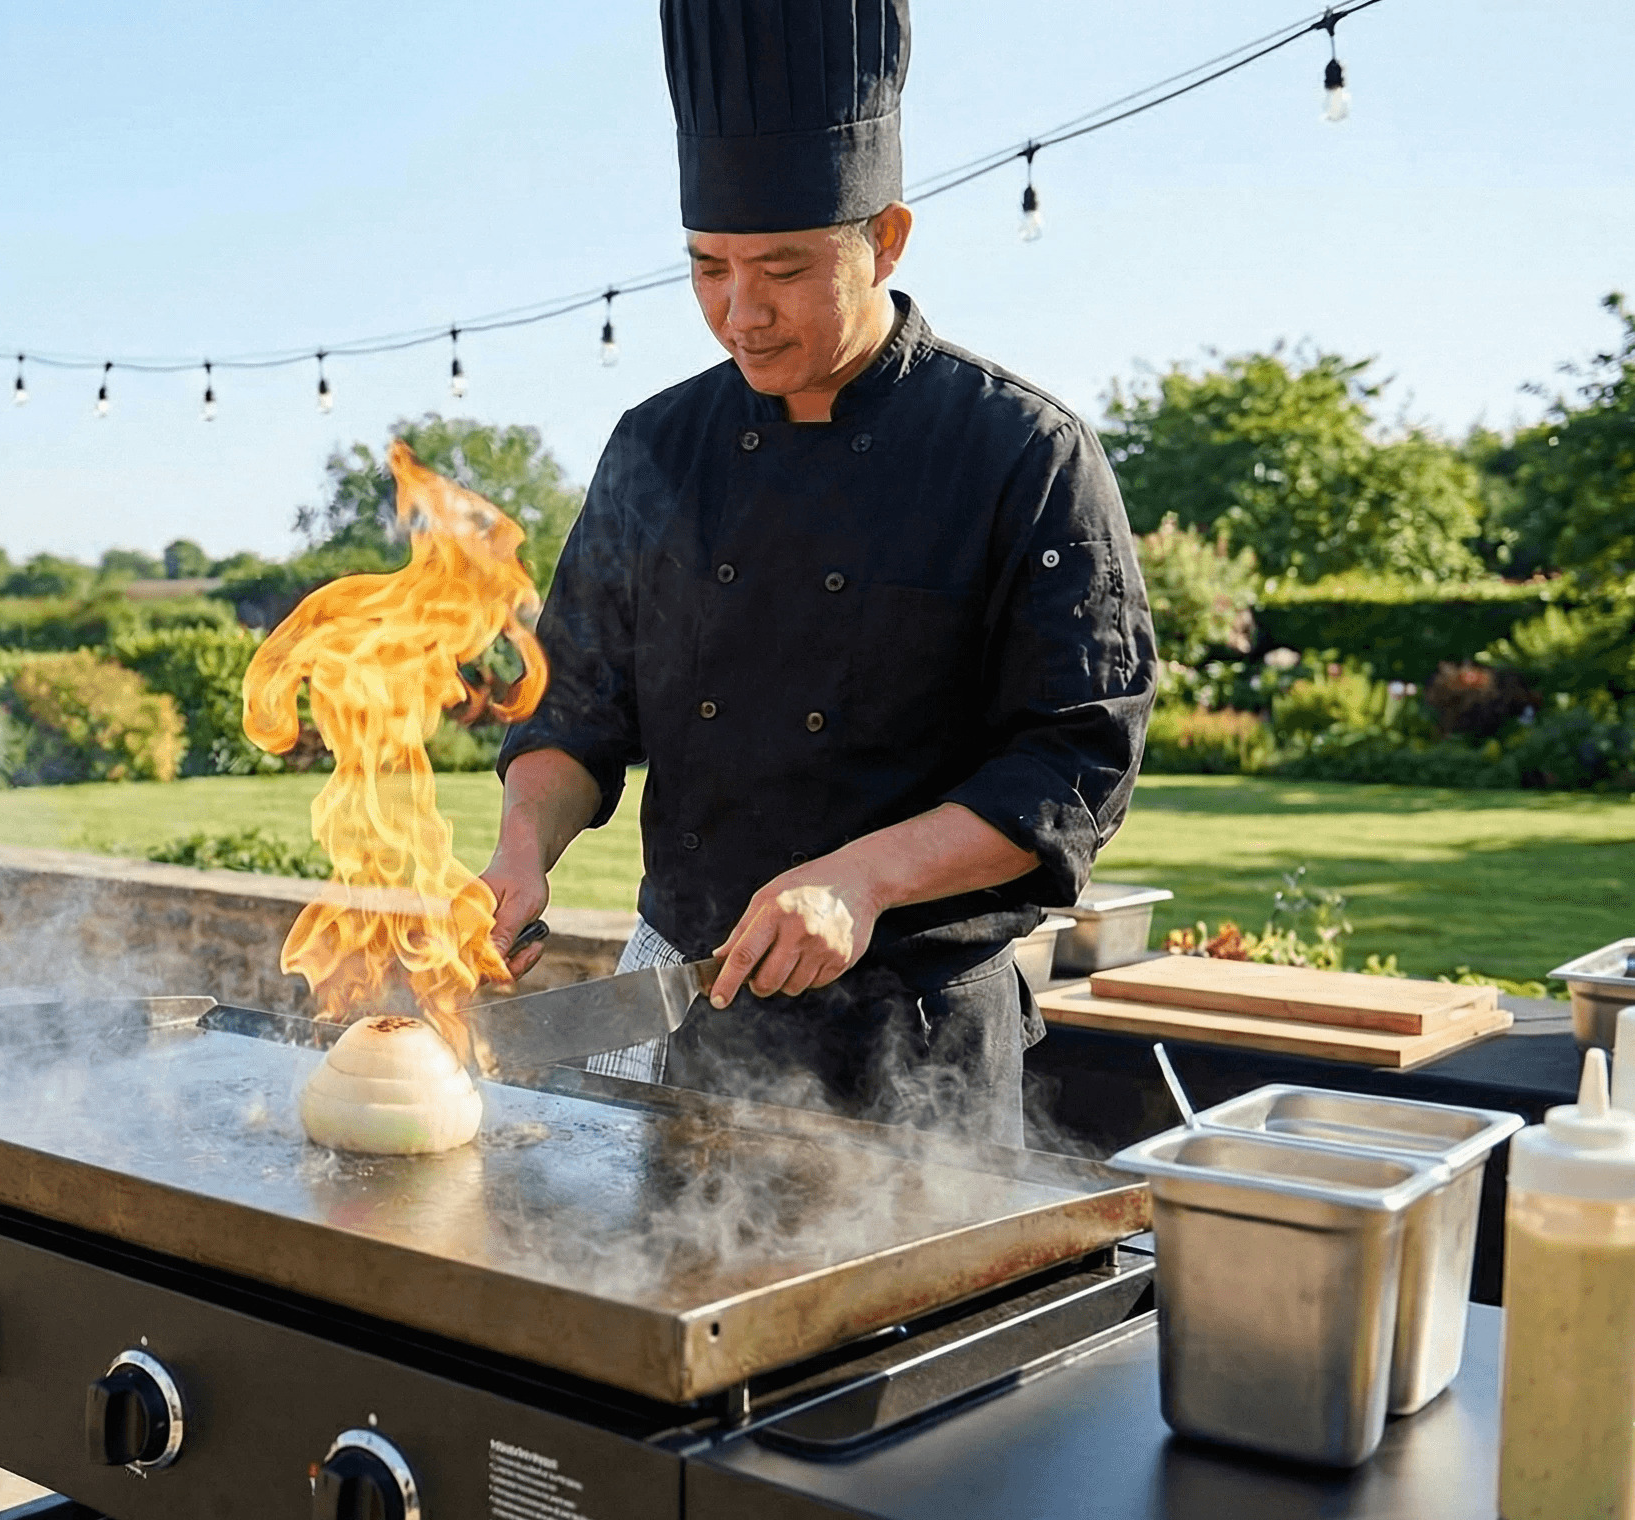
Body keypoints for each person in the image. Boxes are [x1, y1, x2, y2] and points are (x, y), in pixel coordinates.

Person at [483, 0, 1158, 1145]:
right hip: (694, 1027)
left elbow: (1076, 756)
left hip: (916, 1047)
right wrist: (517, 850)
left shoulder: (1022, 452)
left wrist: (867, 874)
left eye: (783, 270)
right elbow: (576, 701)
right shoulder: (656, 445)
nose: (740, 315)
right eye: (708, 270)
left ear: (887, 238)